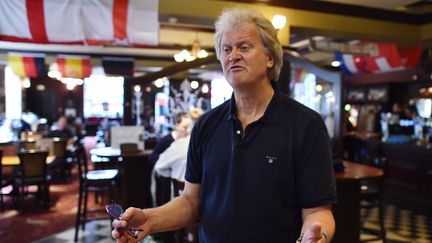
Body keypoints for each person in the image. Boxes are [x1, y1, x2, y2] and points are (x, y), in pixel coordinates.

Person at [112, 8, 336, 243]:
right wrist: (150, 219)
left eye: (244, 47)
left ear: (270, 57)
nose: (233, 55)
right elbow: (191, 201)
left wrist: (315, 237)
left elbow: (318, 212)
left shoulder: (306, 125)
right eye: (227, 49)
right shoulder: (206, 125)